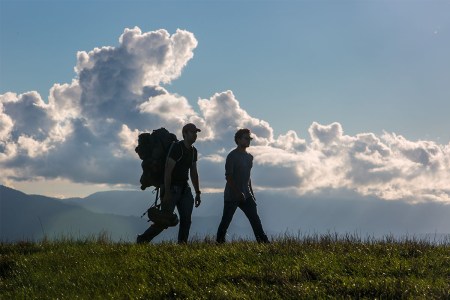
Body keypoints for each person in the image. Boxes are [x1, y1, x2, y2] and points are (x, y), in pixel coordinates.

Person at [137, 123, 202, 244]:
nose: (195, 135)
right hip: (171, 188)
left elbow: (194, 172)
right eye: (193, 132)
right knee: (164, 220)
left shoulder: (194, 151)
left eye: (196, 133)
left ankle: (182, 245)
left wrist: (198, 192)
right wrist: (166, 192)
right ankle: (143, 239)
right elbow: (168, 170)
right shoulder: (177, 148)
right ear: (185, 133)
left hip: (184, 189)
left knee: (186, 220)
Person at [216, 128, 269, 243]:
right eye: (246, 138)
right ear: (238, 140)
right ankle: (219, 243)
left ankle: (264, 242)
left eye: (249, 139)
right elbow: (228, 177)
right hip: (232, 196)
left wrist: (251, 193)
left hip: (246, 195)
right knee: (226, 221)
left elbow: (248, 177)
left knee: (255, 220)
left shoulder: (249, 157)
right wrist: (237, 192)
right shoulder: (232, 156)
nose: (248, 141)